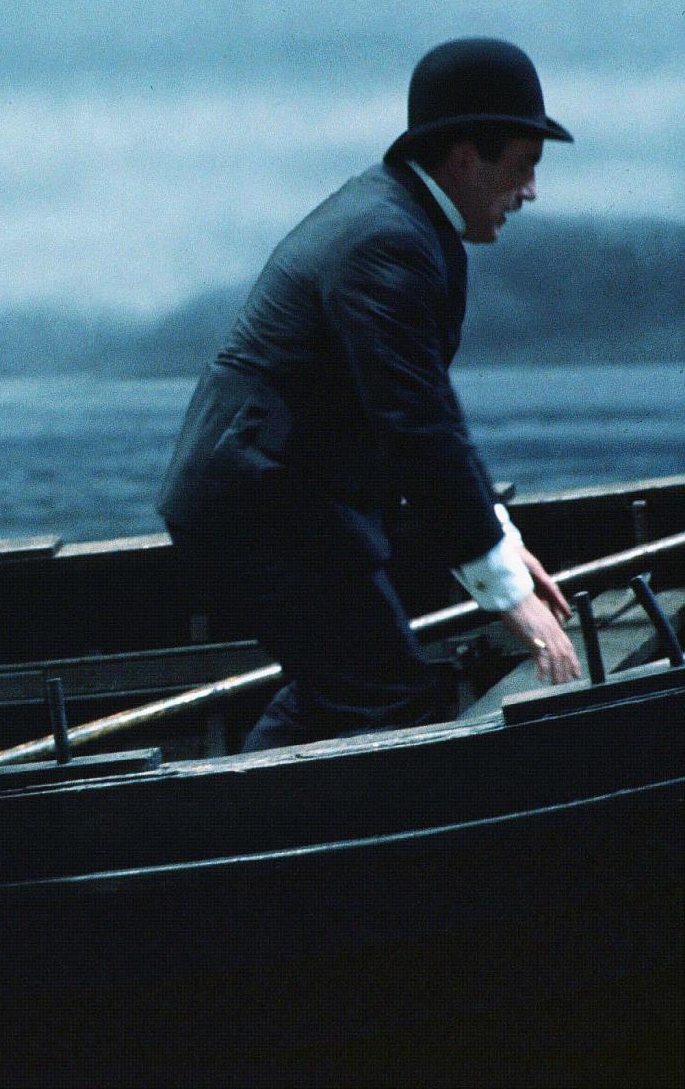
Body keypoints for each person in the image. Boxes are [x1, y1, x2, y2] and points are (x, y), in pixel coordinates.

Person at [158, 37, 582, 752]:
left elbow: (431, 413)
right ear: (463, 159)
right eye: (523, 166)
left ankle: (228, 828)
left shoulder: (408, 223)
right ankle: (218, 838)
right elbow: (417, 425)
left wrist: (501, 541)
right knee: (378, 687)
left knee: (359, 682)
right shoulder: (388, 241)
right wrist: (509, 595)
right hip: (256, 498)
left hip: (280, 494)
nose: (531, 192)